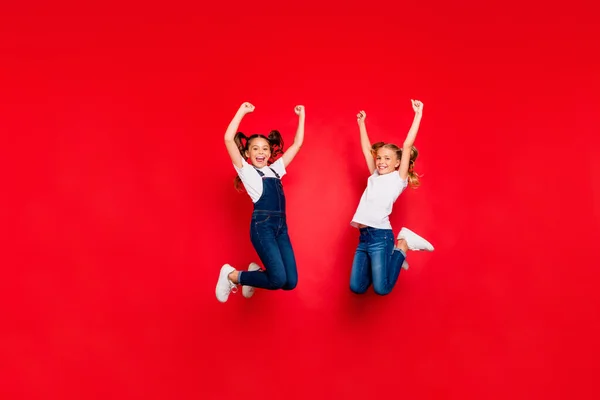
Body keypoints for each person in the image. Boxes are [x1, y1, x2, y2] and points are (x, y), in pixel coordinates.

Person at [215, 102, 305, 302]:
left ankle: (253, 275)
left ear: (270, 154)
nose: (260, 152)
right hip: (262, 227)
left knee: (290, 282)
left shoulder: (276, 170)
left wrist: (301, 116)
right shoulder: (246, 171)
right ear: (247, 154)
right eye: (255, 149)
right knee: (277, 279)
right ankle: (232, 275)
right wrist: (242, 111)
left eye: (265, 148)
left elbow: (297, 144)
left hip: (281, 228)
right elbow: (228, 139)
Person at [349, 99, 434, 296]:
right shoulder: (374, 176)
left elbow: (407, 145)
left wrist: (418, 114)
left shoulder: (398, 179)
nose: (381, 162)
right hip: (363, 238)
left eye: (387, 159)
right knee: (357, 287)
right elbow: (365, 149)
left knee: (382, 288)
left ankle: (401, 246)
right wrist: (361, 124)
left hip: (381, 236)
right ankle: (392, 258)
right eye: (379, 158)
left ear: (397, 163)